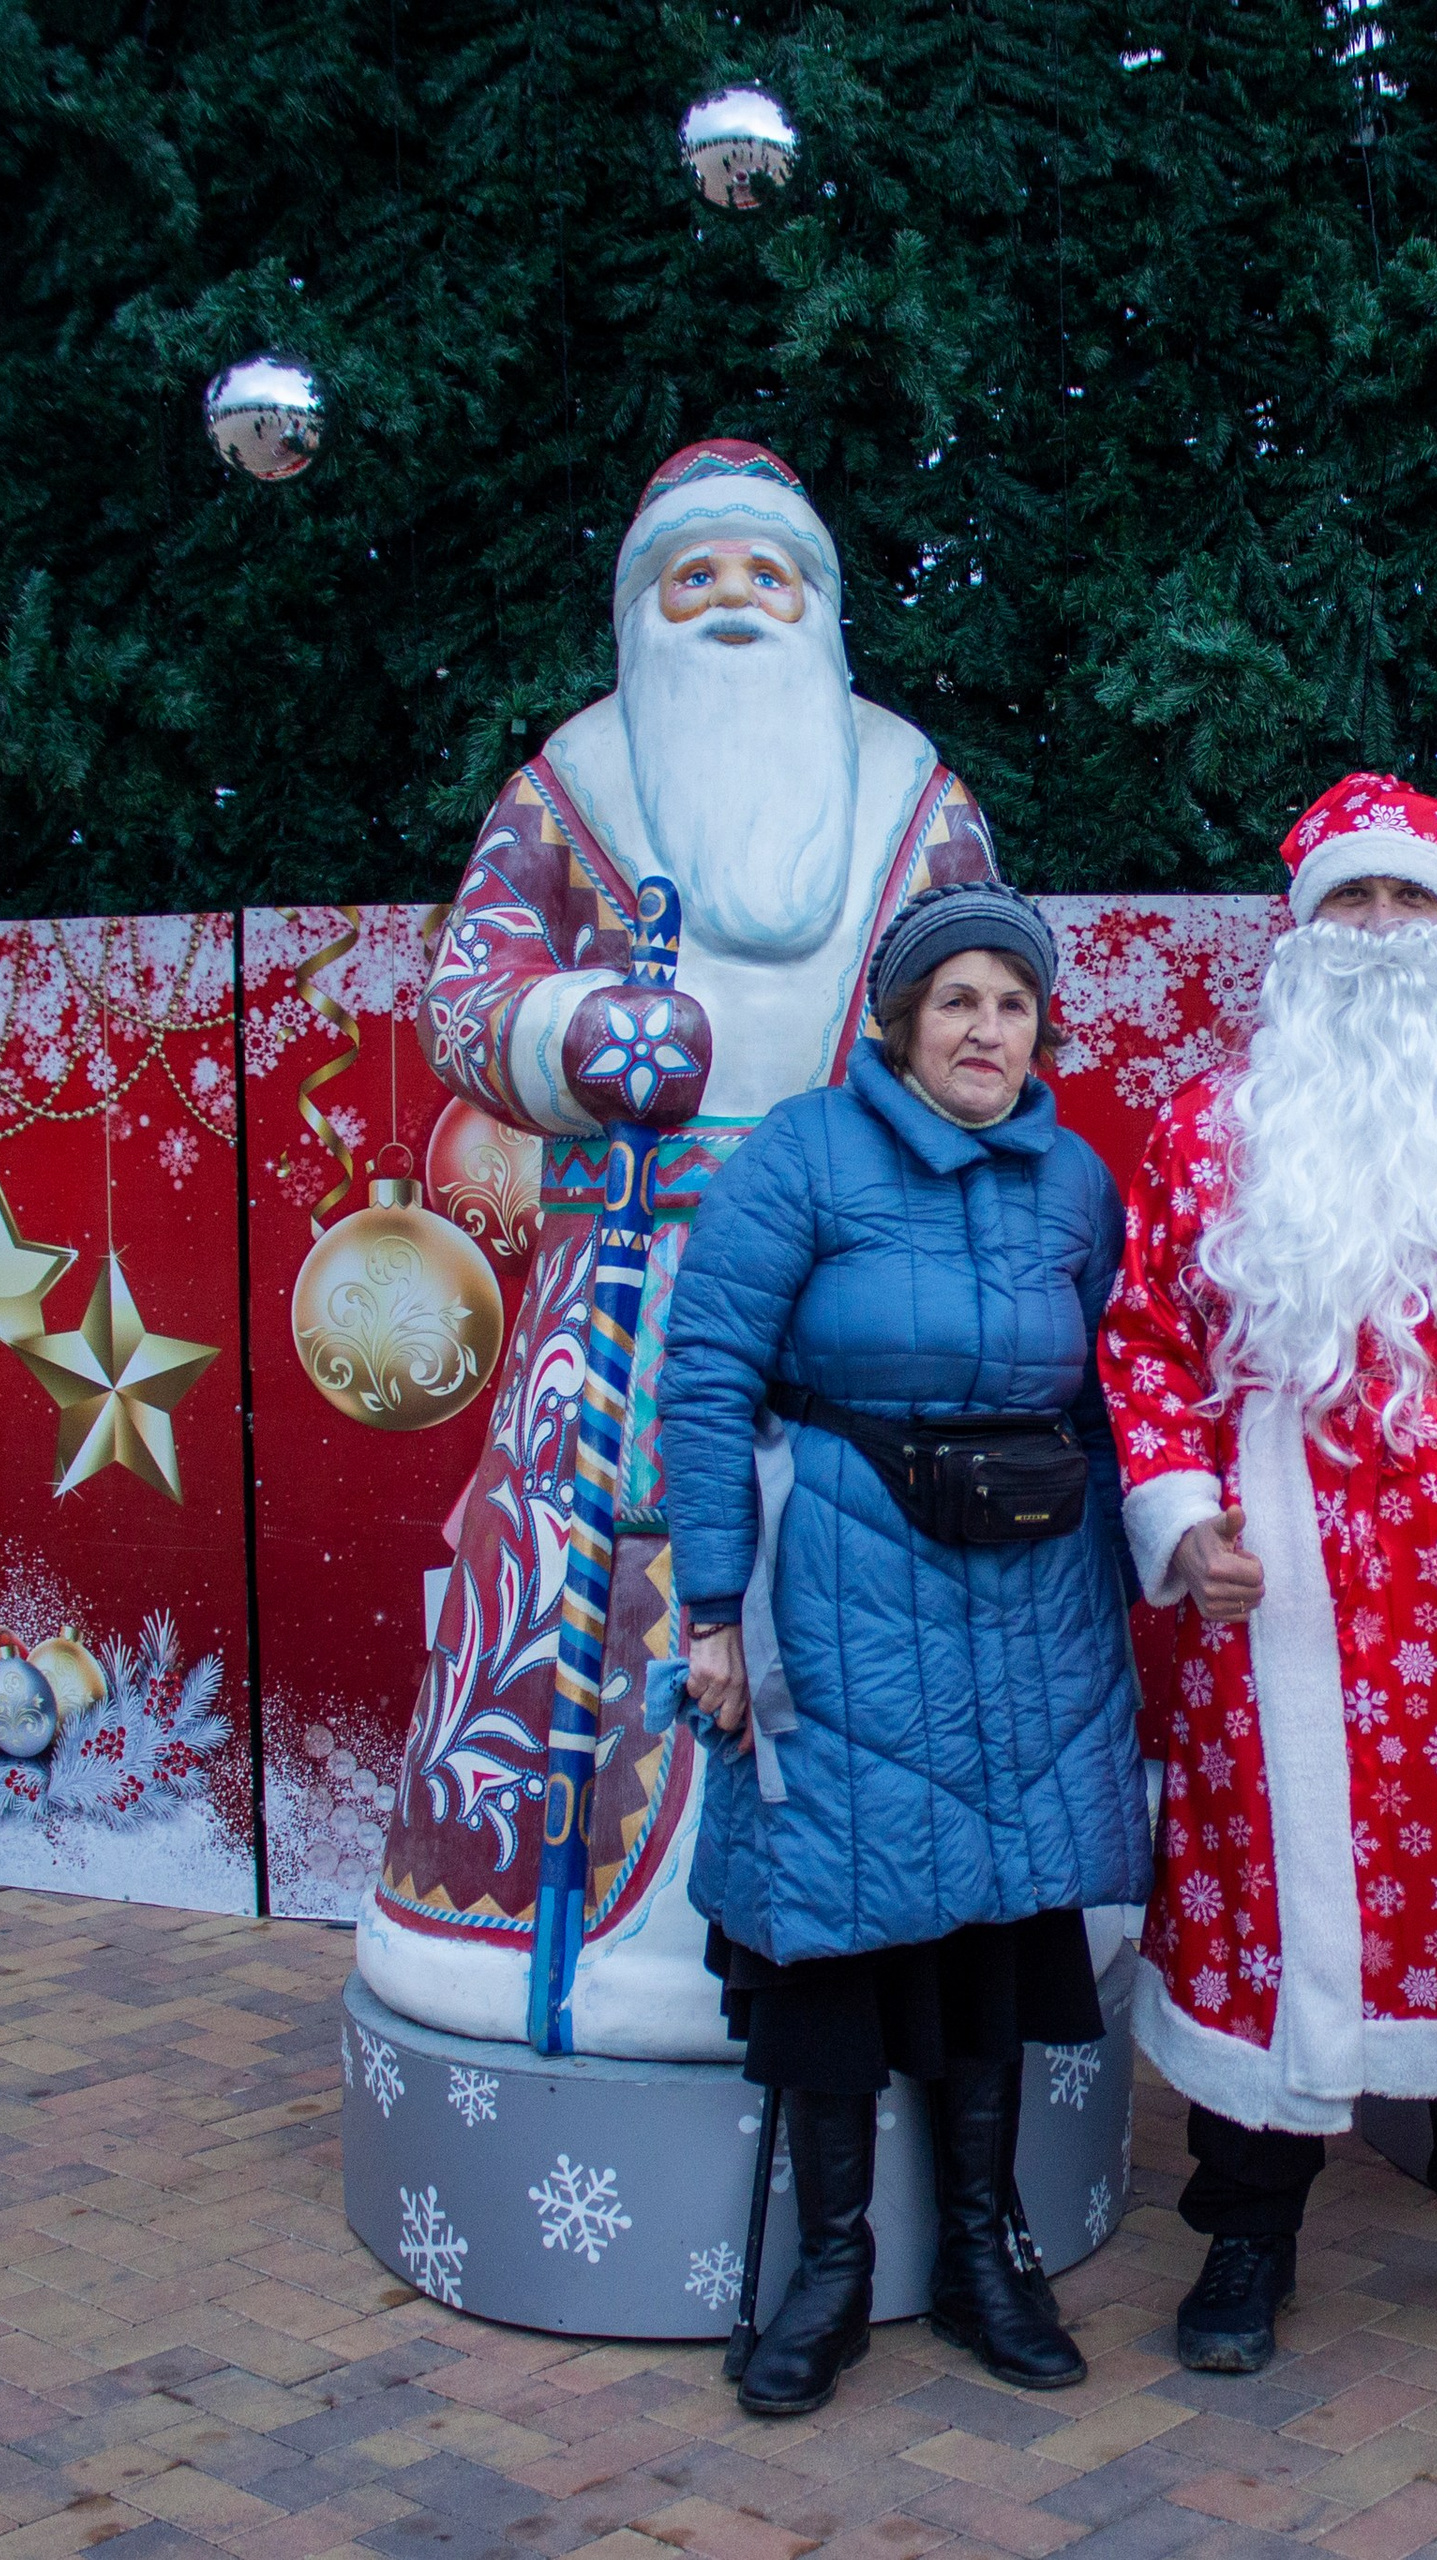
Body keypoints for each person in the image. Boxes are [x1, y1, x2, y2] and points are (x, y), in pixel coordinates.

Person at [367, 441, 1003, 2059]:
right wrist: (578, 1027)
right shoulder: (575, 778)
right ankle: (551, 1937)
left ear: (822, 607)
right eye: (693, 576)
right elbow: (465, 988)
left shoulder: (907, 785)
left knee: (861, 1592)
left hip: (857, 1277)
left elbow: (980, 996)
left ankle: (871, 1951)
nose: (731, 603)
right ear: (642, 608)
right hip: (626, 1264)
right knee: (602, 1573)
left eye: (766, 575)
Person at [1101, 773, 1437, 2376]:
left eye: (1413, 902)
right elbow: (1143, 1341)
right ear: (1301, 931)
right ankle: (1247, 2230)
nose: (1385, 931)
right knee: (1263, 1896)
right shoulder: (1213, 1125)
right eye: (1355, 901)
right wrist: (1183, 1517)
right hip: (1269, 1596)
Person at [658, 883, 1154, 2418]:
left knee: (1001, 1924)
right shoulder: (799, 1160)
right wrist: (715, 1610)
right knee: (833, 1920)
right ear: (897, 1021)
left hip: (1029, 1608)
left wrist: (1146, 1576)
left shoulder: (1073, 1183)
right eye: (958, 1001)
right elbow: (707, 1379)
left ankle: (982, 2258)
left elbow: (1102, 1398)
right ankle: (830, 2269)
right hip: (844, 1597)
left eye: (1013, 1003)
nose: (987, 1029)